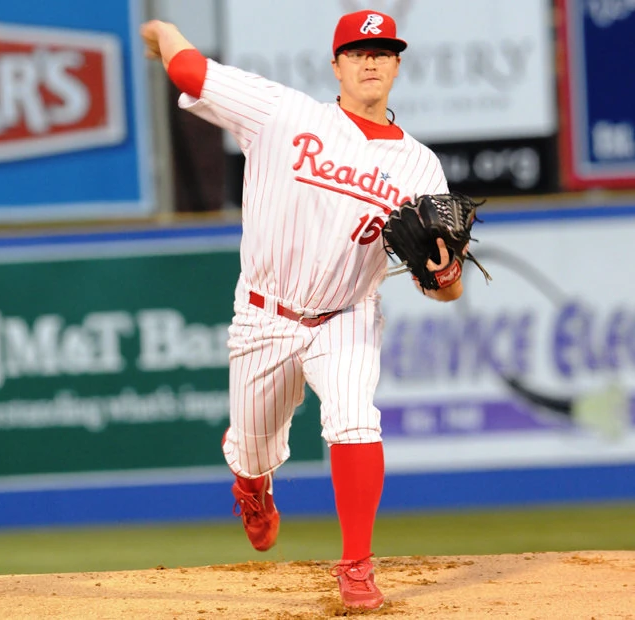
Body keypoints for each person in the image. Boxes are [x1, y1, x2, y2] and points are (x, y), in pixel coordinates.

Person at [140, 9, 462, 611]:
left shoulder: (421, 166)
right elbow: (192, 73)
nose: (371, 62)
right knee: (254, 450)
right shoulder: (282, 114)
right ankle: (252, 483)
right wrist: (161, 31)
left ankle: (357, 567)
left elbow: (447, 289)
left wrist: (444, 275)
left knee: (355, 420)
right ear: (336, 64)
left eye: (383, 52)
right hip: (264, 316)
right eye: (358, 52)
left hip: (346, 316)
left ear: (397, 65)